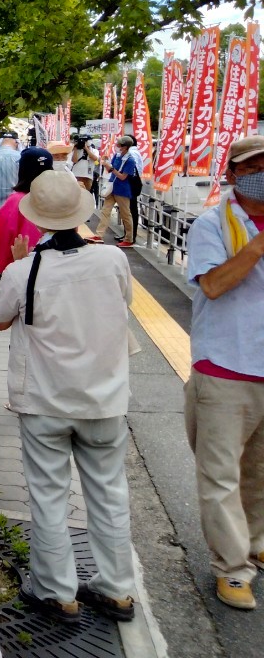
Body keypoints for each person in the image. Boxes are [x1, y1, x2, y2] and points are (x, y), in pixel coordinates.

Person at [0, 172, 136, 625]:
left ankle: (58, 593)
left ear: (35, 218)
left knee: (49, 496)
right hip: (105, 398)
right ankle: (117, 590)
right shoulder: (112, 260)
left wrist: (16, 262)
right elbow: (121, 303)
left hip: (44, 401)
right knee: (110, 492)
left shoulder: (23, 269)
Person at [183, 134, 264, 611]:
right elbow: (213, 285)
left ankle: (253, 541)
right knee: (220, 475)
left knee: (258, 469)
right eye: (254, 166)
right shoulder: (212, 224)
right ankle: (232, 569)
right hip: (224, 368)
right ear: (233, 174)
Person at [0, 147, 55, 278]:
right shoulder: (58, 198)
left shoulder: (16, 201)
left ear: (22, 170)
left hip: (20, 270)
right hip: (54, 269)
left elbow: (0, 236)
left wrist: (1, 266)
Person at [93, 134, 139, 247]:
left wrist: (111, 168)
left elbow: (123, 177)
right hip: (112, 187)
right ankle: (99, 235)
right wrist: (105, 163)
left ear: (125, 147)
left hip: (122, 189)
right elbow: (110, 170)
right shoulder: (117, 156)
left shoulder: (130, 160)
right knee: (105, 211)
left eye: (118, 145)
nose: (116, 146)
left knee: (125, 214)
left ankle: (129, 238)